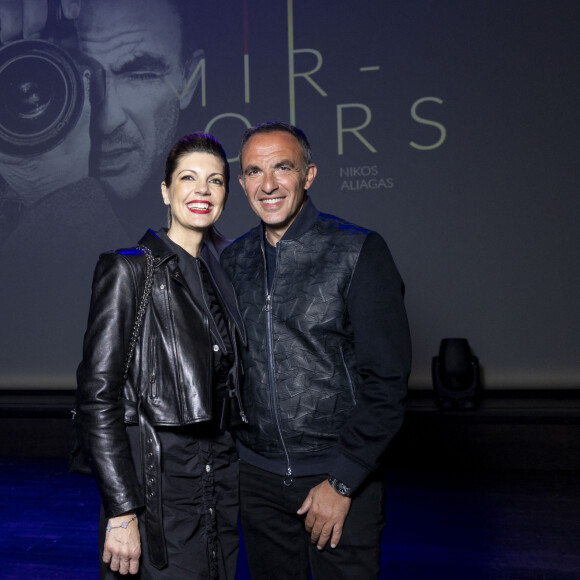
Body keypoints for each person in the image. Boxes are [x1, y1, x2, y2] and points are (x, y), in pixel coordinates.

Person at [220, 121, 412, 579]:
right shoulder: (232, 260)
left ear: (308, 175)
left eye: (282, 168)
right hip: (257, 482)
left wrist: (344, 479)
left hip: (337, 477)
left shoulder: (357, 250)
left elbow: (386, 381)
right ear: (242, 182)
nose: (268, 184)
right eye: (253, 171)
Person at [0, 0, 205, 390]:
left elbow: (154, 380)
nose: (107, 119)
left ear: (188, 78)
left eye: (140, 73)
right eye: (74, 75)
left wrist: (57, 198)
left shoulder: (229, 249)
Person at [75, 133, 245, 579]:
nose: (202, 190)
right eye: (188, 178)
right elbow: (97, 399)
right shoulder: (129, 269)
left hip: (219, 480)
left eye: (215, 180)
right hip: (158, 488)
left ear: (226, 194)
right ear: (166, 191)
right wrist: (122, 512)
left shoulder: (226, 272)